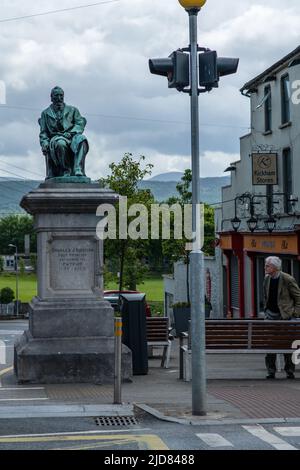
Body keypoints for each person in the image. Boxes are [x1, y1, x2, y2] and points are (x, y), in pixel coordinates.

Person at [39, 86, 89, 179]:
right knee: (60, 143)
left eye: (61, 95)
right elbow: (43, 132)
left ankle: (77, 168)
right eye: (56, 95)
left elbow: (80, 123)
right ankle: (66, 170)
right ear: (51, 97)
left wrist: (71, 132)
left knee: (82, 139)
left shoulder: (73, 110)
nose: (59, 98)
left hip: (72, 136)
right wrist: (44, 143)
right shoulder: (45, 113)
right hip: (56, 138)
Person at [264, 256, 300, 379]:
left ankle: (289, 371)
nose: (265, 267)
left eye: (267, 265)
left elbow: (298, 297)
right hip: (270, 315)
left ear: (274, 267)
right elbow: (266, 295)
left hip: (285, 316)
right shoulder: (267, 279)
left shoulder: (287, 279)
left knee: (286, 344)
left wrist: (295, 313)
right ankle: (271, 371)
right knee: (270, 345)